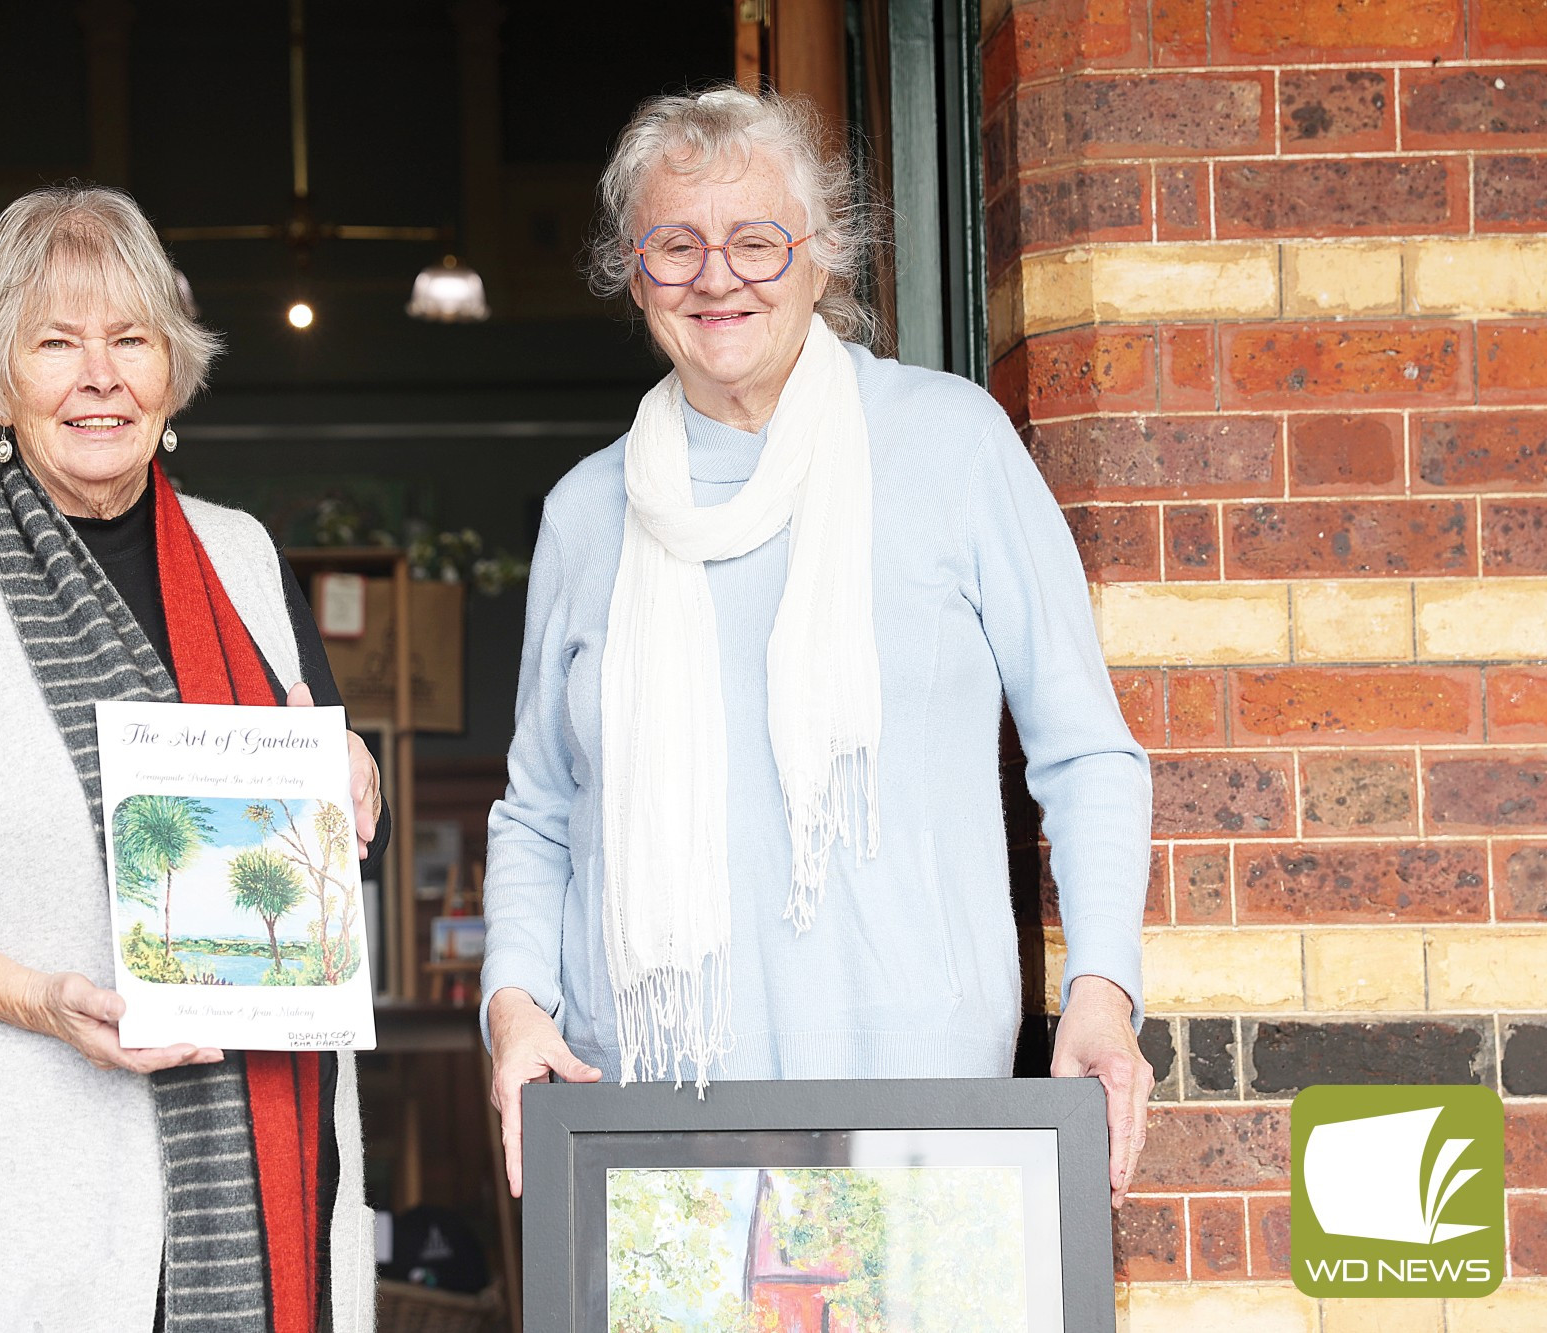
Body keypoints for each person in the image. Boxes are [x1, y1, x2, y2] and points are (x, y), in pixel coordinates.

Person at [481, 87, 1155, 1204]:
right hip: (648, 1106)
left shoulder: (950, 444)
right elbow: (537, 813)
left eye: (755, 241)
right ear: (629, 268)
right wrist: (514, 1007)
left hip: (916, 1100)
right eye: (673, 244)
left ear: (820, 254)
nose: (715, 277)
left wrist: (1099, 990)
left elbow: (1084, 754)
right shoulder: (585, 513)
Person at [0, 186, 381, 1333]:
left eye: (129, 339)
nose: (99, 376)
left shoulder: (243, 559)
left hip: (269, 1191)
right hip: (15, 1217)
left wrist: (354, 779)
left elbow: (320, 806)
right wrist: (38, 997)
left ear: (171, 370)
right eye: (57, 343)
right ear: (2, 373)